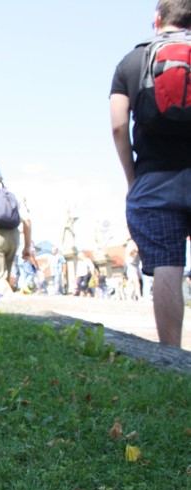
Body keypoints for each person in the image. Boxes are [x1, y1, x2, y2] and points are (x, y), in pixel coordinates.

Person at [109, 0, 191, 345]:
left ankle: (172, 356)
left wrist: (132, 179)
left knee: (167, 265)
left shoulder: (132, 61)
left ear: (157, 19)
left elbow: (117, 125)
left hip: (154, 177)